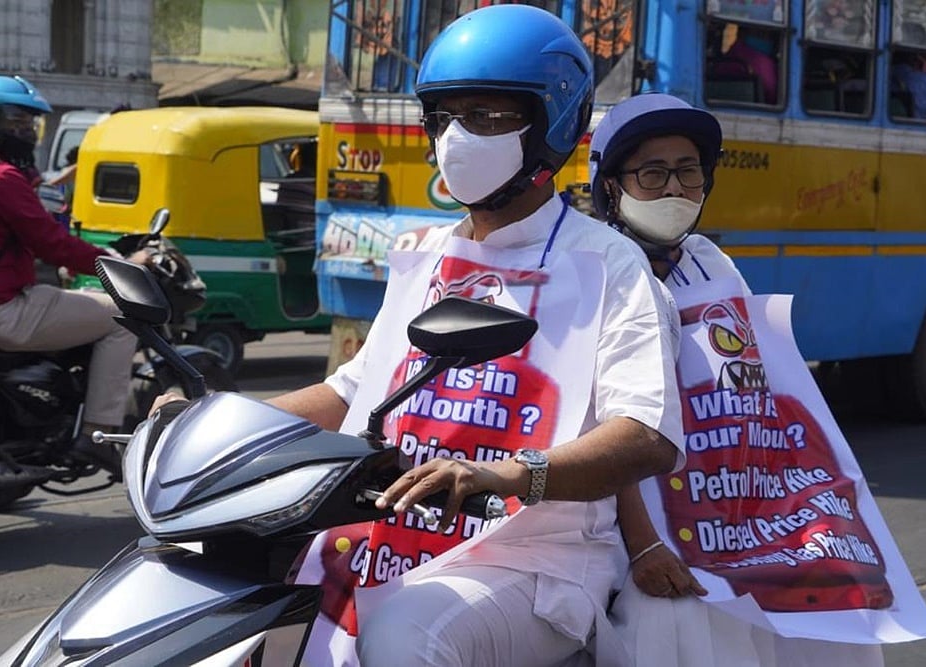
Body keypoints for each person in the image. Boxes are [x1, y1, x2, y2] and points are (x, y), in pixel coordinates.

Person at [155, 6, 682, 665]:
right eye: (444, 117)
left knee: (407, 634)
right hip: (385, 527)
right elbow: (352, 392)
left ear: (555, 126)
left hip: (535, 555)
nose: (459, 136)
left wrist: (507, 473)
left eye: (488, 116)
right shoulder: (427, 253)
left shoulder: (605, 263)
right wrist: (209, 423)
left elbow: (646, 435)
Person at [589, 92, 886, 666]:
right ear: (610, 187)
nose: (675, 189)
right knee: (675, 618)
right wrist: (646, 542)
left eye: (688, 172)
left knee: (837, 594)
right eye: (653, 173)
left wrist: (817, 507)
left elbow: (759, 395)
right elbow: (599, 426)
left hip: (736, 517)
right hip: (638, 528)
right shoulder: (596, 271)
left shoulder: (710, 262)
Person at [0, 75, 149, 473]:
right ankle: (97, 434)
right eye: (14, 121)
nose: (25, 130)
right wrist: (116, 261)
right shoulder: (0, 178)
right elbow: (52, 244)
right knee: (123, 319)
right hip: (3, 309)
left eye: (30, 122)